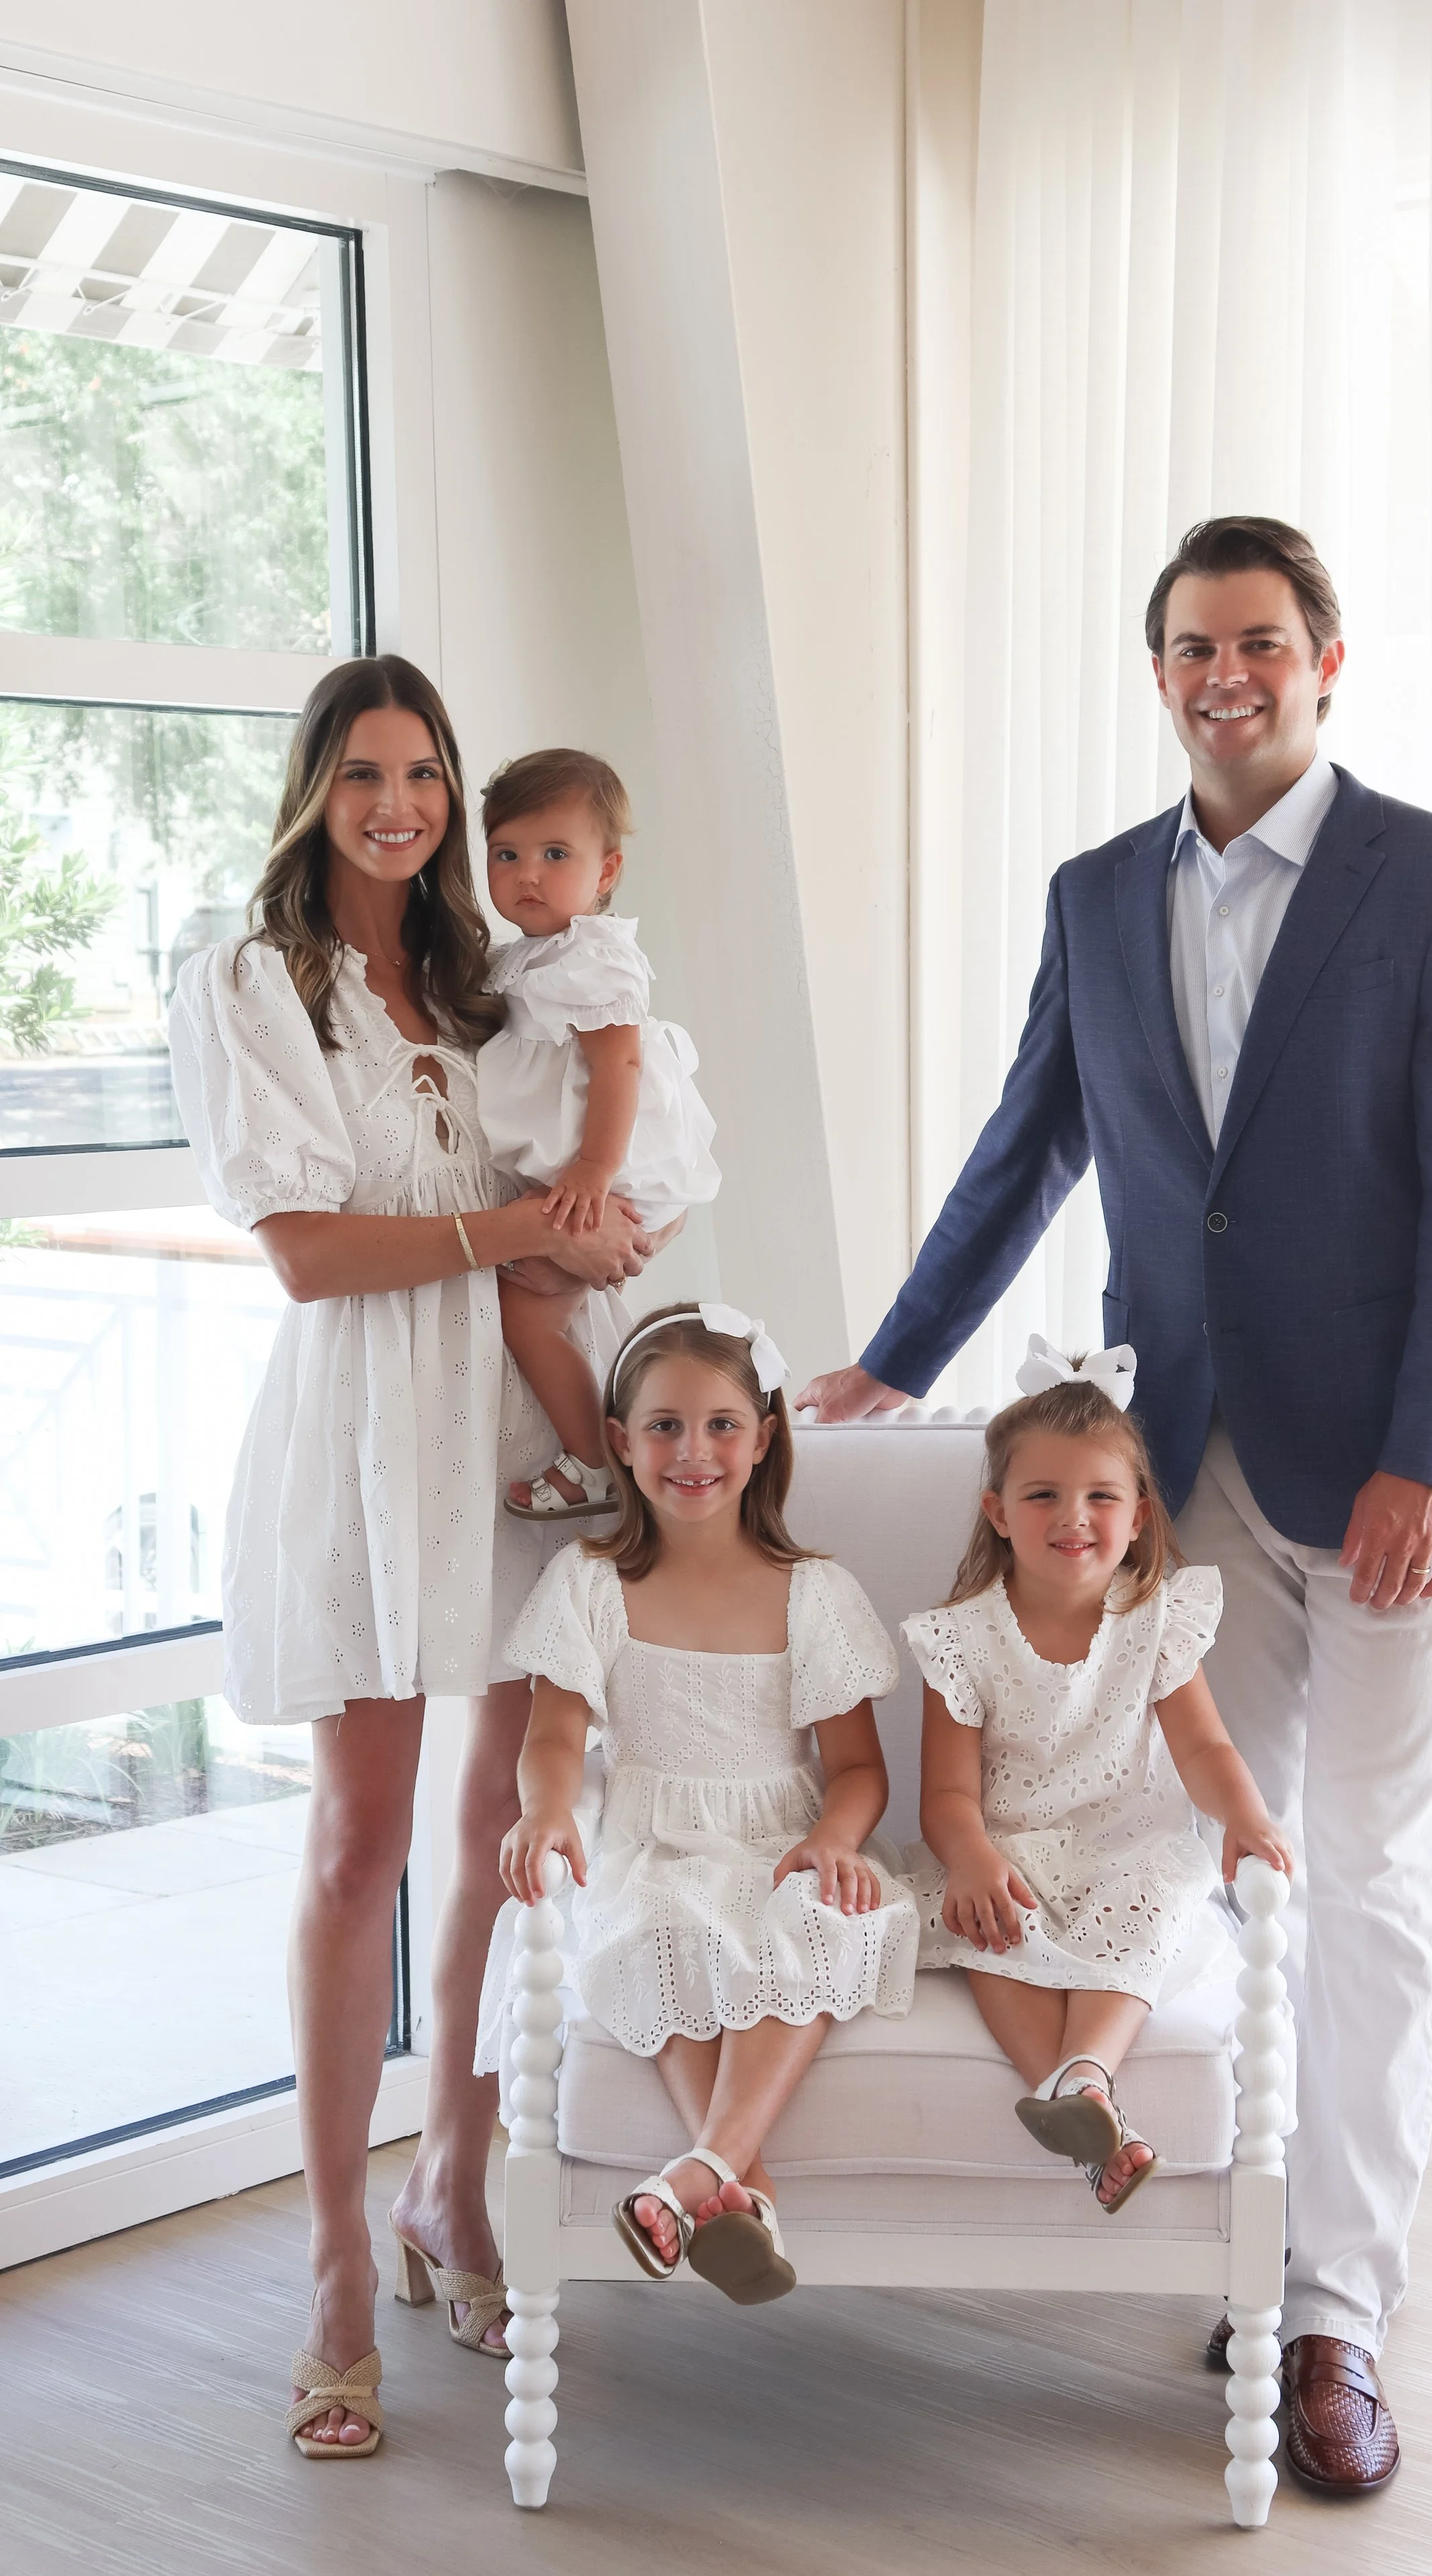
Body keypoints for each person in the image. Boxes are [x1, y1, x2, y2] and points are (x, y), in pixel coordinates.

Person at [800, 517, 1432, 2495]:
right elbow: (1026, 1139)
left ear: (1322, 659)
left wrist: (1422, 1448)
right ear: (1157, 676)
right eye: (1189, 648)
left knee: (1368, 1880)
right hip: (1180, 1467)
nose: (1224, 674)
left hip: (1390, 1479)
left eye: (1257, 642)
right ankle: (1261, 2234)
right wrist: (891, 1355)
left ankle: (1332, 2318)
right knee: (1223, 1865)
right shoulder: (1093, 893)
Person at [169, 655, 653, 2459]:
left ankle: (454, 2176)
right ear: (315, 786)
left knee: (495, 1827)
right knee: (359, 1834)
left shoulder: (484, 969)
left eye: (427, 771)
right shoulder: (253, 976)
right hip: (368, 1424)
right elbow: (302, 1248)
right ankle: (333, 2263)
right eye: (366, 770)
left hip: (516, 1420)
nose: (402, 803)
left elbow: (606, 1129)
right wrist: (521, 1226)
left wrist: (585, 1230)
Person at [498, 1302, 919, 2304]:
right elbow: (554, 1734)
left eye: (723, 1424)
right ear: (620, 1443)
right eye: (665, 1425)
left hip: (781, 1843)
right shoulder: (590, 1581)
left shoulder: (811, 1590)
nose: (694, 1450)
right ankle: (736, 2182)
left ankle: (704, 2171)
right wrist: (550, 1810)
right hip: (652, 1841)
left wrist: (831, 1839)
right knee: (661, 1926)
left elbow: (860, 1767)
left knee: (814, 1922)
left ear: (766, 1436)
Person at [907, 1363, 1291, 2212]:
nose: (1073, 1516)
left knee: (1151, 1907)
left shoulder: (1154, 1617)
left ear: (1138, 1515)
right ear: (999, 1513)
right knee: (990, 1933)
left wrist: (1246, 1814)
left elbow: (1204, 1748)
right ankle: (1088, 2112)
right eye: (1042, 1495)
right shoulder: (962, 1637)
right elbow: (947, 1794)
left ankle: (1083, 2075)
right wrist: (970, 1858)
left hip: (1129, 1845)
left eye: (1100, 1497)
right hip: (1009, 1851)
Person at [472, 749, 720, 1521]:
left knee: (529, 1314)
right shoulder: (527, 957)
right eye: (507, 854)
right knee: (538, 1304)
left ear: (606, 870)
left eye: (555, 855)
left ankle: (593, 1459)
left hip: (612, 1166)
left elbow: (618, 1067)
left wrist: (592, 1167)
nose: (527, 875)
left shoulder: (594, 957)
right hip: (587, 1167)